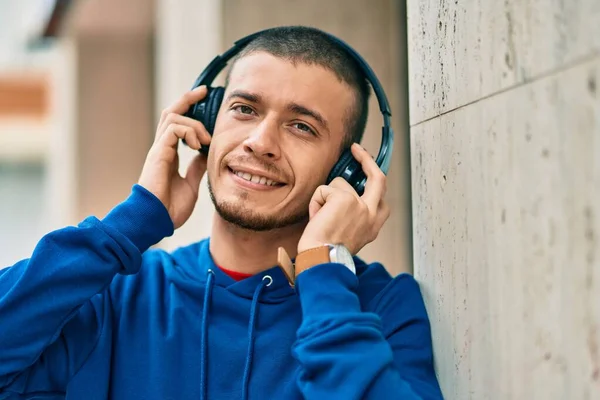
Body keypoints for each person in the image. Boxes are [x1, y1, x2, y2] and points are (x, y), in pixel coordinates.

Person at [0, 26, 443, 399]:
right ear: (207, 120)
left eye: (301, 126)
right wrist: (132, 223)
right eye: (244, 109)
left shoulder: (381, 307)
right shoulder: (118, 298)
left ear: (347, 172)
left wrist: (323, 272)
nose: (260, 141)